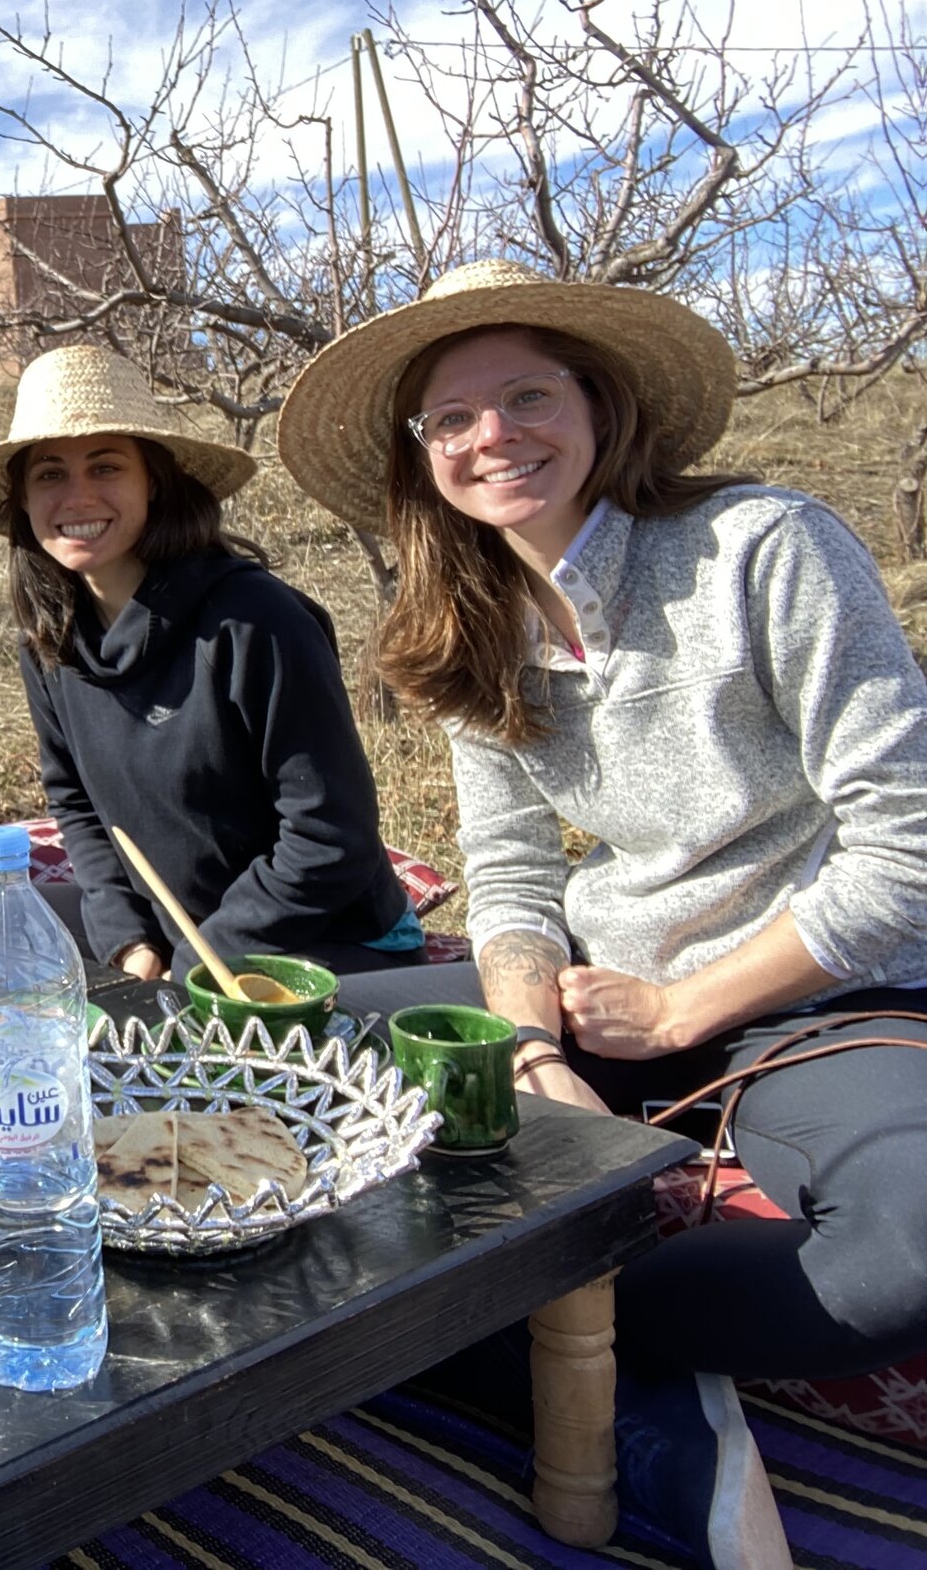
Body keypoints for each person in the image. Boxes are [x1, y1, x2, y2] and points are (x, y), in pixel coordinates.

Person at [280, 257, 927, 1569]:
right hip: (590, 987)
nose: (491, 435)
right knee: (265, 1032)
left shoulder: (764, 547)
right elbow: (509, 872)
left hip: (811, 996)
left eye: (526, 392)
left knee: (906, 1250)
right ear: (421, 456)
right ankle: (602, 1372)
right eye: (450, 418)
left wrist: (688, 1002)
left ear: (599, 401)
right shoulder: (469, 620)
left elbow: (909, 843)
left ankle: (555, 1341)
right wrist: (529, 1045)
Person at [0, 343, 416, 982]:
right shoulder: (50, 641)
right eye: (50, 474)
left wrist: (197, 961)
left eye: (105, 468)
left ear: (153, 481)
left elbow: (329, 840)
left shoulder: (255, 622)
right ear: (21, 497)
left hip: (320, 941)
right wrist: (124, 935)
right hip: (170, 931)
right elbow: (74, 802)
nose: (77, 497)